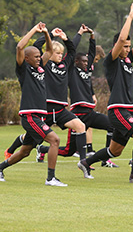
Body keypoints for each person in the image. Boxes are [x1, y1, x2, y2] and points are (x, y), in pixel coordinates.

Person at [78, 2, 133, 184]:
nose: (127, 49)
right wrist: (130, 17)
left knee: (115, 151)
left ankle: (86, 162)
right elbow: (120, 40)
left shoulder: (128, 61)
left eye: (128, 47)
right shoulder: (111, 61)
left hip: (127, 110)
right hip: (118, 111)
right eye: (125, 47)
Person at [0, 23, 67, 186]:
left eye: (39, 57)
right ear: (26, 59)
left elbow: (48, 51)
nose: (39, 58)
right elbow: (20, 46)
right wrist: (35, 29)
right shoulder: (23, 69)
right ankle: (51, 178)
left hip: (40, 116)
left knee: (25, 151)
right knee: (54, 140)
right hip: (30, 116)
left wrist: (48, 34)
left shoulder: (40, 68)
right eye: (36, 57)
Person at [57, 25, 117, 168]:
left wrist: (92, 36)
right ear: (76, 61)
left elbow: (91, 52)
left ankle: (105, 159)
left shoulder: (87, 69)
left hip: (89, 113)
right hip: (77, 114)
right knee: (68, 151)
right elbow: (73, 48)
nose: (86, 63)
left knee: (112, 126)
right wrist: (79, 33)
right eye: (82, 61)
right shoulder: (71, 70)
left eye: (87, 61)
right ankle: (42, 150)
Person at [31, 27, 89, 174]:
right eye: (57, 53)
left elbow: (72, 51)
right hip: (46, 110)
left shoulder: (65, 65)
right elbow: (36, 47)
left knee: (80, 126)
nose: (59, 55)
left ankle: (83, 162)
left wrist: (65, 38)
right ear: (49, 54)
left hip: (61, 110)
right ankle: (11, 152)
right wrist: (49, 35)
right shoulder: (44, 65)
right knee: (29, 141)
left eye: (61, 53)